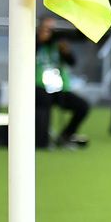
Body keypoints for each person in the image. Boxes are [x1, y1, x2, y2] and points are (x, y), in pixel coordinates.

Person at [35, 16, 90, 149]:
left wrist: (65, 50)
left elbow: (72, 62)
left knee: (82, 106)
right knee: (43, 105)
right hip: (39, 86)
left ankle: (66, 135)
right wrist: (40, 41)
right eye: (48, 29)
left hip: (60, 88)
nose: (52, 33)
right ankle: (41, 141)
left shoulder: (59, 44)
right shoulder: (32, 42)